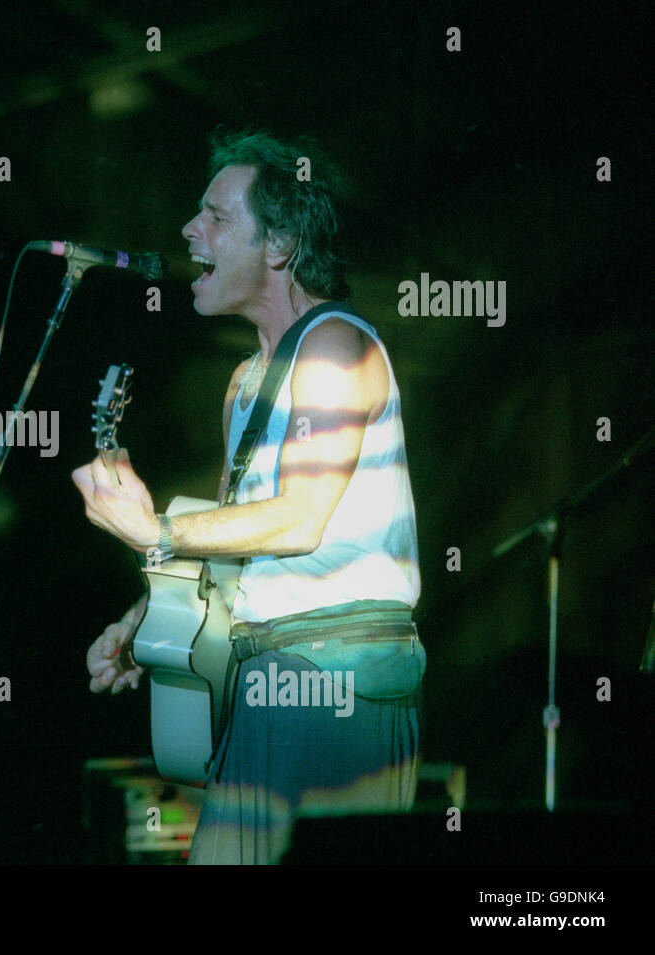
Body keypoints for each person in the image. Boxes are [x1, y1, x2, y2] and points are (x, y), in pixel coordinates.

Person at [72, 129, 422, 864]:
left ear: (281, 244)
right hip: (267, 674)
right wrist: (150, 620)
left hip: (333, 677)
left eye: (217, 216)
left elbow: (300, 517)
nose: (189, 230)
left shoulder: (335, 347)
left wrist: (154, 529)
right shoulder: (244, 382)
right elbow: (246, 545)